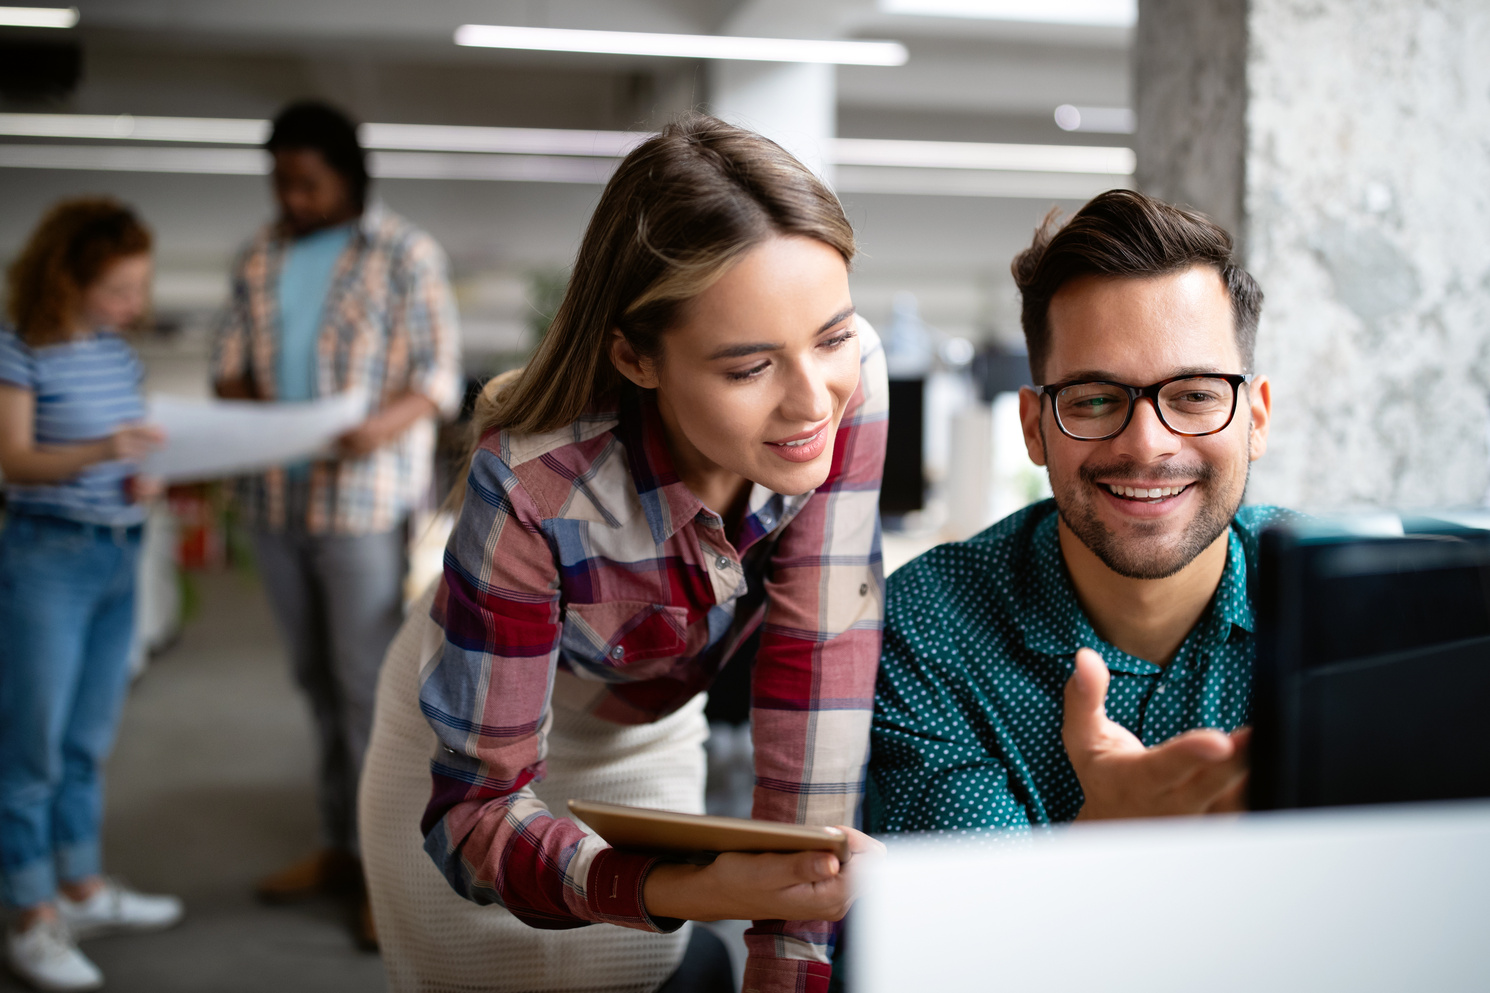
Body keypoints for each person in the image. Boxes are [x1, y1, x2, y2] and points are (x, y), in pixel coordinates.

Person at [398, 114, 888, 993]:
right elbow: (472, 819)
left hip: (646, 721)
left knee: (642, 972)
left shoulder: (847, 392)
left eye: (832, 336)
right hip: (471, 721)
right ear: (636, 355)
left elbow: (818, 663)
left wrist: (788, 959)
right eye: (749, 368)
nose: (814, 400)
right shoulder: (533, 486)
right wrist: (667, 886)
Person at [868, 188, 1287, 837]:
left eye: (1197, 394)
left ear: (1255, 419)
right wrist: (1104, 836)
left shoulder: (1357, 607)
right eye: (1093, 400)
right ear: (1034, 428)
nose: (1148, 444)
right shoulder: (929, 628)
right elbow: (965, 926)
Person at [210, 100, 462, 944]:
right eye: (281, 181)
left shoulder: (405, 254)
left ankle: (382, 870)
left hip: (361, 505)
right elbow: (228, 367)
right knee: (315, 686)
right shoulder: (259, 254)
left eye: (308, 181)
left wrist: (369, 430)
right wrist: (258, 407)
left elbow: (437, 377)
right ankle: (333, 846)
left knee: (365, 692)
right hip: (275, 502)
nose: (293, 196)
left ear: (349, 177)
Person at [0, 198, 184, 993]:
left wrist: (136, 470)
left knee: (87, 736)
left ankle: (80, 886)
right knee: (31, 745)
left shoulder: (116, 353)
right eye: (118, 288)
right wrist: (102, 449)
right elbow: (14, 461)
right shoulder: (19, 349)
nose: (133, 306)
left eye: (138, 287)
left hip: (120, 553)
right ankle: (31, 915)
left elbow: (126, 451)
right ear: (67, 277)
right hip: (48, 558)